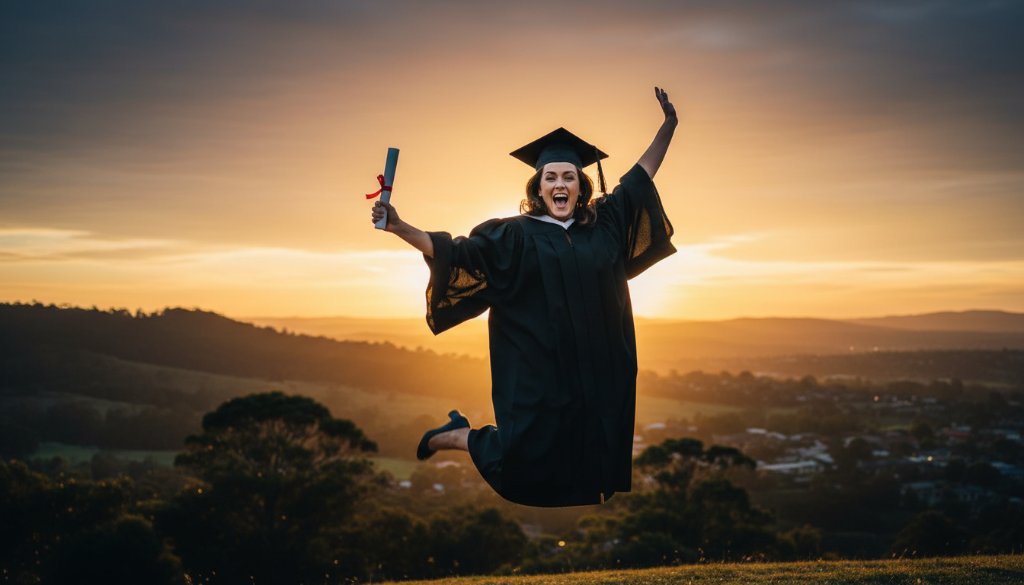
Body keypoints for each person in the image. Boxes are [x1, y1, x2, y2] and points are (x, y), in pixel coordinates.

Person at [370, 87, 678, 507]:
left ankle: (579, 478)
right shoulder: (515, 235)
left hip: (599, 365)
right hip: (539, 369)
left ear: (581, 185)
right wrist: (400, 227)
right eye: (550, 176)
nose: (560, 183)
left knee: (592, 441)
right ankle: (457, 435)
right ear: (538, 186)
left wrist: (668, 127)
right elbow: (460, 253)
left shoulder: (604, 225)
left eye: (568, 176)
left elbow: (640, 178)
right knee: (523, 460)